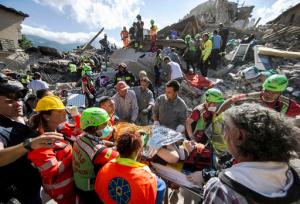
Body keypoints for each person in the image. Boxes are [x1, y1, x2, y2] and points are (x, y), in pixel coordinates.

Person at [194, 103, 300, 203]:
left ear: (240, 136)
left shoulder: (221, 189)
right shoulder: (291, 177)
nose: (223, 133)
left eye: (226, 127)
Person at [0, 75, 64, 204]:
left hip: (33, 188)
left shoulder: (16, 115)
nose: (17, 104)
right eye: (9, 101)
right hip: (18, 194)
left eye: (18, 99)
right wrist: (29, 144)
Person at [28, 96, 75, 204]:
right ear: (46, 116)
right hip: (61, 192)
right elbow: (51, 172)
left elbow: (77, 130)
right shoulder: (41, 142)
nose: (64, 113)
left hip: (68, 187)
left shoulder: (57, 129)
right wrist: (73, 155)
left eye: (64, 110)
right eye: (59, 111)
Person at [95, 132, 166, 204]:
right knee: (161, 184)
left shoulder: (105, 167)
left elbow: (99, 191)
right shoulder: (148, 177)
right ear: (136, 151)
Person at [72, 108, 119, 204]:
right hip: (90, 189)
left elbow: (98, 142)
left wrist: (111, 144)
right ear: (94, 127)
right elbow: (117, 156)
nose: (108, 126)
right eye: (105, 124)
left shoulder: (80, 138)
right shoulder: (98, 151)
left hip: (79, 181)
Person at [217, 74, 300, 117]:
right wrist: (217, 114)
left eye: (274, 93)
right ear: (262, 88)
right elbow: (230, 100)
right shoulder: (251, 96)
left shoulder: (286, 104)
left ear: (280, 93)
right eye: (266, 91)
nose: (268, 94)